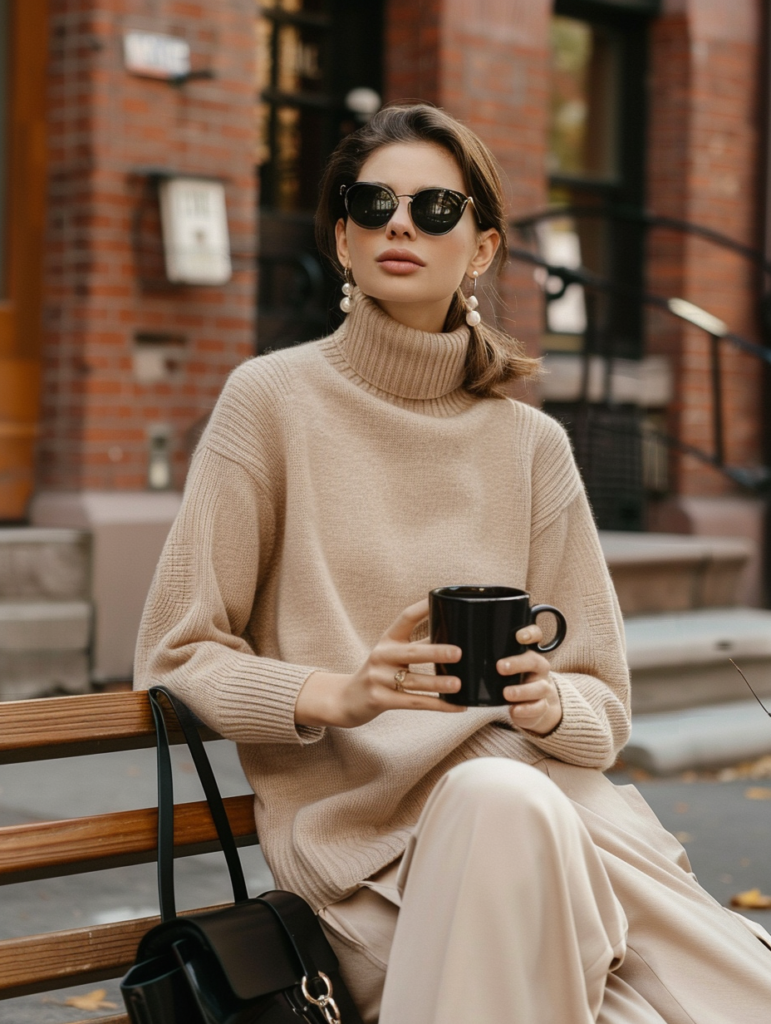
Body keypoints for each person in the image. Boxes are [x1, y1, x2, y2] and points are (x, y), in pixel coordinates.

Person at [135, 104, 771, 1023]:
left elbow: (602, 706)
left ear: (479, 248)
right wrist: (339, 694)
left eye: (436, 208)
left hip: (580, 844)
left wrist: (550, 701)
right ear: (343, 239)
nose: (402, 223)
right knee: (496, 799)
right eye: (373, 203)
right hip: (378, 872)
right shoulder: (268, 404)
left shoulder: (531, 446)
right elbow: (176, 656)